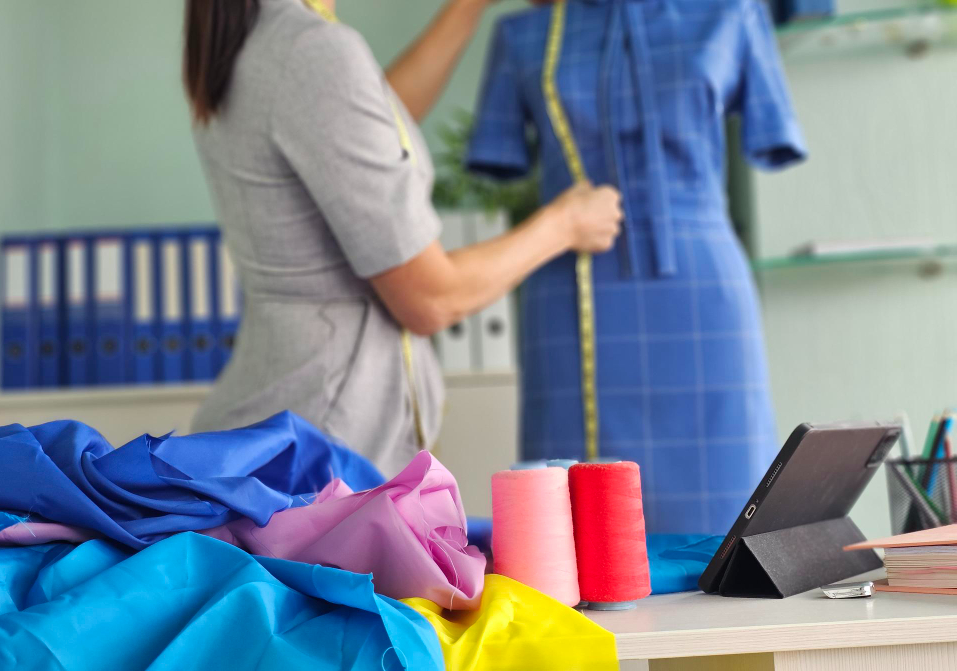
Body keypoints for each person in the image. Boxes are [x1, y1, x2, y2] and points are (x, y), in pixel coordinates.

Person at [182, 0, 623, 477]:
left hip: (282, 429)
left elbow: (361, 133)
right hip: (323, 457)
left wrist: (466, 9)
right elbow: (431, 298)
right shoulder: (314, 51)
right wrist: (564, 223)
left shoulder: (264, 37)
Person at [467, 0, 807, 534]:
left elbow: (771, 130)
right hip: (571, 290)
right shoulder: (525, 33)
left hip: (701, 291)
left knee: (732, 522)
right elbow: (499, 155)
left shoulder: (731, 15)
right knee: (578, 540)